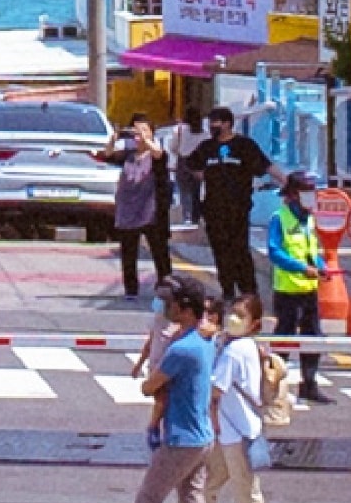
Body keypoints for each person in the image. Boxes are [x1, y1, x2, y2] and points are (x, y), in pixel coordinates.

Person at [138, 273, 222, 503]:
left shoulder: (182, 349)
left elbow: (149, 386)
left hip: (180, 438)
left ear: (186, 309)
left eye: (170, 303)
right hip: (202, 436)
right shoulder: (202, 341)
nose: (165, 308)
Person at [207, 295, 281, 503]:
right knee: (206, 488)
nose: (232, 319)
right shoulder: (243, 346)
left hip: (236, 434)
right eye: (232, 312)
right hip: (231, 432)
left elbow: (216, 390)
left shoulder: (234, 351)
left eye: (240, 315)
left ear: (255, 324)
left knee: (248, 499)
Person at [190, 108, 272, 299]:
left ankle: (248, 291)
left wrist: (287, 182)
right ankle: (227, 290)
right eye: (210, 122)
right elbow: (192, 165)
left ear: (227, 123)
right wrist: (204, 176)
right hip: (213, 209)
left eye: (216, 122)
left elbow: (265, 166)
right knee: (220, 251)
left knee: (239, 250)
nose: (212, 126)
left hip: (238, 209)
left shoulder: (244, 145)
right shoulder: (206, 147)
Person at [264, 172, 329, 401]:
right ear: (293, 195)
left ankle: (309, 383)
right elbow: (274, 252)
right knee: (284, 337)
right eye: (307, 192)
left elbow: (312, 251)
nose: (312, 197)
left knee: (313, 337)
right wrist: (300, 268)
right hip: (287, 290)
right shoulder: (279, 218)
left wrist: (322, 266)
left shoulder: (309, 219)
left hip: (309, 289)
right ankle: (273, 384)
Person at [94, 113, 174, 300]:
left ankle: (167, 286)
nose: (138, 136)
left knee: (159, 252)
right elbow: (106, 155)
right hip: (128, 210)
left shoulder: (157, 156)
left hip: (152, 211)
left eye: (143, 131)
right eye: (135, 132)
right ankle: (131, 289)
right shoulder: (128, 156)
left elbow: (158, 154)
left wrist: (146, 138)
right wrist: (114, 139)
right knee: (128, 252)